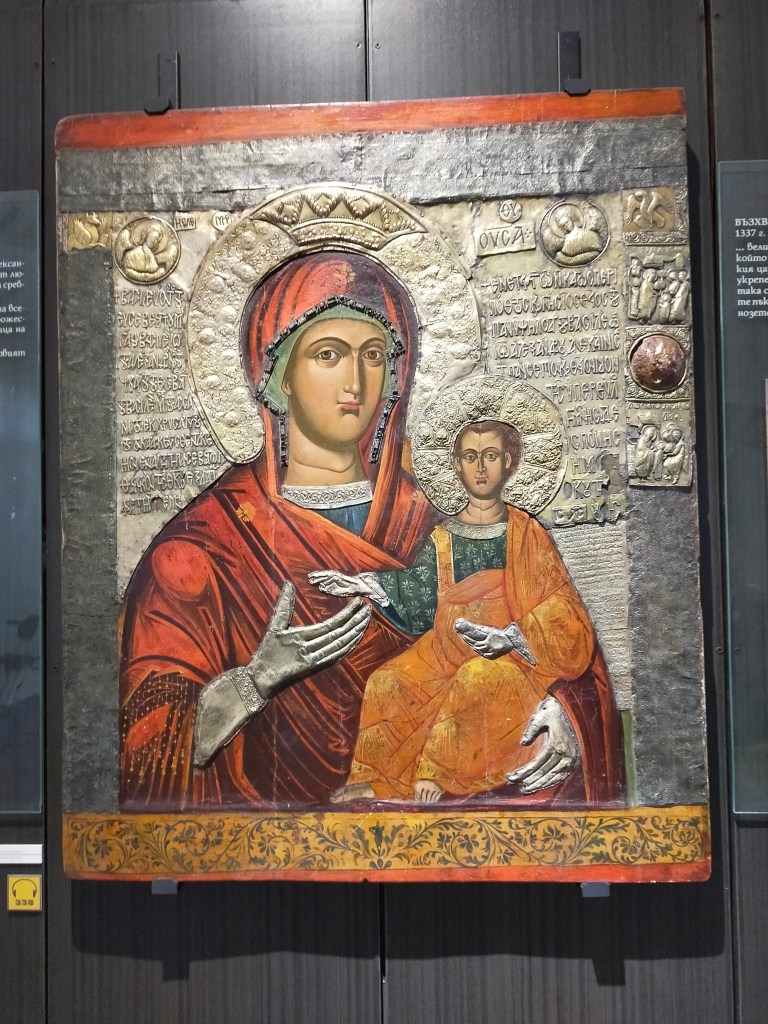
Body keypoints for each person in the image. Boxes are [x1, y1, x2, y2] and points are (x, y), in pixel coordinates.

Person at [119, 251, 440, 809]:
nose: (355, 382)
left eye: (373, 355)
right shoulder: (204, 544)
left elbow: (529, 632)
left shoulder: (432, 521)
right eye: (328, 354)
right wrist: (254, 682)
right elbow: (145, 747)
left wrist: (557, 713)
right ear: (280, 375)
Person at [311, 419, 626, 805]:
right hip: (444, 654)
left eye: (490, 456)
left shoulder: (526, 535)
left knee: (476, 676)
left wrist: (511, 637)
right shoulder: (442, 537)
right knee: (388, 681)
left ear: (508, 462)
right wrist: (364, 585)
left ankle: (437, 773)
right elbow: (417, 599)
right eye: (470, 457)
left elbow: (560, 610)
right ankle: (377, 779)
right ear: (457, 466)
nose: (480, 467)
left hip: (515, 664)